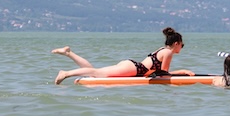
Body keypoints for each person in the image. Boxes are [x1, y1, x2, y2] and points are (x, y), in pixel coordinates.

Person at [53, 27, 192, 85]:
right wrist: (182, 73)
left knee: (96, 73)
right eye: (182, 45)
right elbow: (163, 75)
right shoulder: (168, 52)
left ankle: (68, 53)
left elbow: (160, 73)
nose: (181, 47)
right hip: (135, 69)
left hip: (133, 67)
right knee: (97, 72)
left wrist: (181, 72)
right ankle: (66, 73)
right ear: (176, 43)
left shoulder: (162, 49)